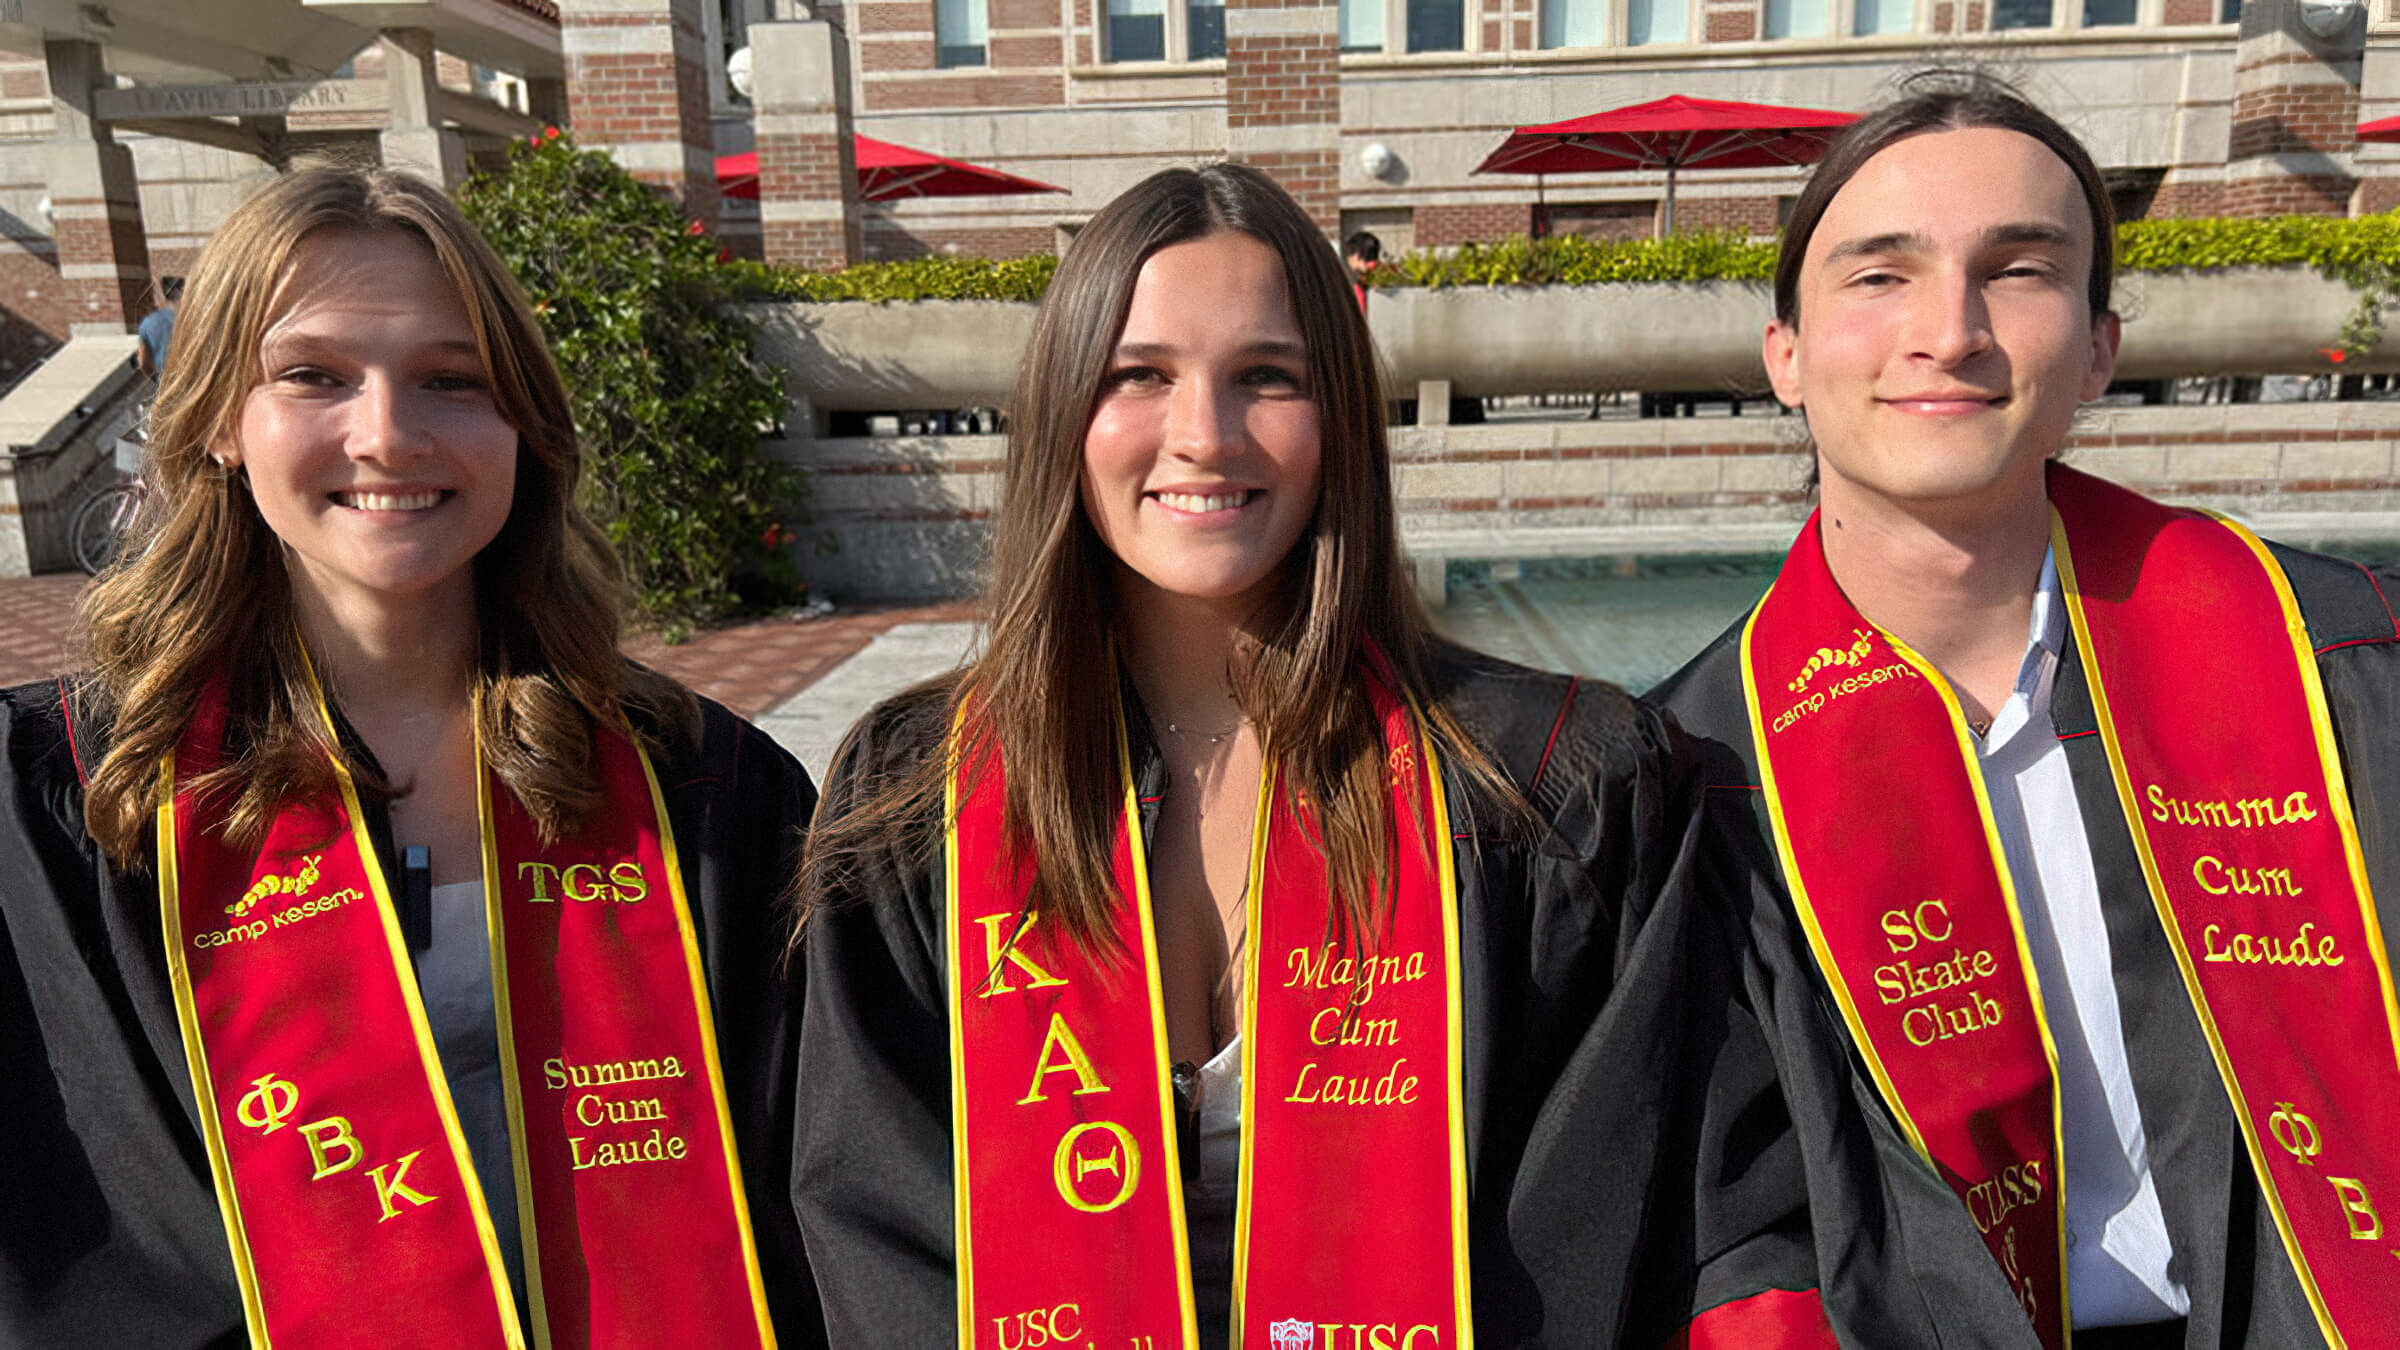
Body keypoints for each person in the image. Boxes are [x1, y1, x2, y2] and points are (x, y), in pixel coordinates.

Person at [791, 162, 1839, 1347]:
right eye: (1139, 375)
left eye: (1266, 378)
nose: (1203, 435)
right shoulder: (917, 795)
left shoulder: (1546, 788)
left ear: (1336, 415)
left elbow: (1618, 1213)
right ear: (1063, 414)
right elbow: (879, 1231)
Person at [0, 165, 823, 1347]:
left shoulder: (707, 793)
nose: (387, 433)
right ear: (222, 420)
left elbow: (807, 1195)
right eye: (314, 376)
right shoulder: (63, 797)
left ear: (519, 428)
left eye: (451, 380)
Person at [1652, 72, 2400, 1349]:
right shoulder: (1693, 781)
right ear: (1783, 356)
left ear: (2101, 347)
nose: (1951, 330)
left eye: (2020, 268)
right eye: (1879, 275)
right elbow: (1731, 1233)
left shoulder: (2341, 664)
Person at [136, 274, 182, 380]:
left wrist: (154, 378)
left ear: (164, 295)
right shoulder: (190, 317)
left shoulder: (147, 323)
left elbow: (144, 362)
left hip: (165, 376)